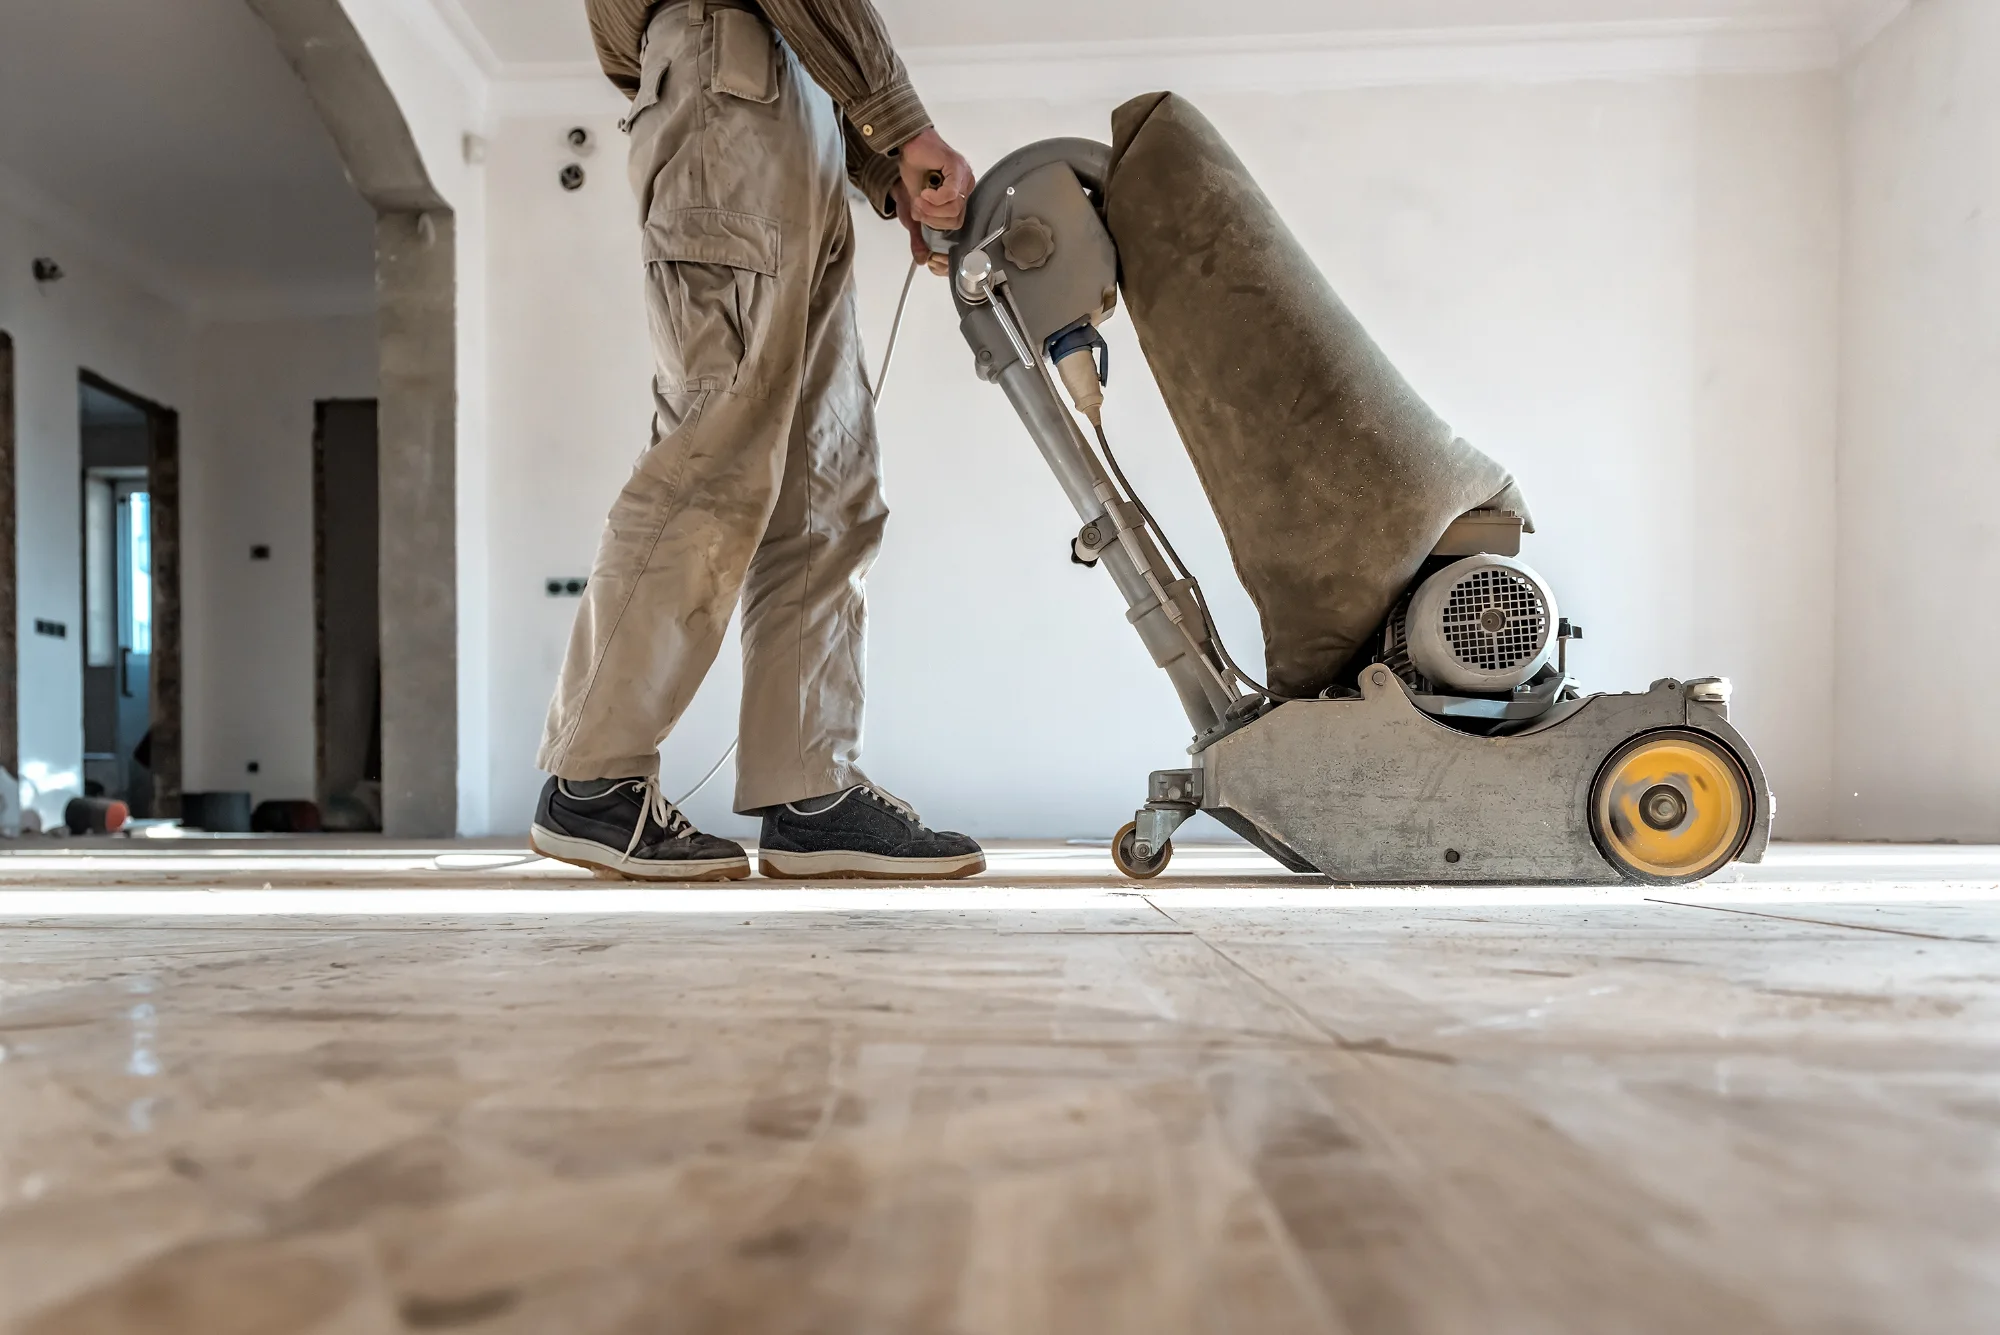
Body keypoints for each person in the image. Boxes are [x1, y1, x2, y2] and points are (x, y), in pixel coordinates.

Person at [530, 0, 984, 882]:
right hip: (729, 80)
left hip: (793, 97)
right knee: (718, 447)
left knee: (831, 481)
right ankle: (593, 779)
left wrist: (881, 164)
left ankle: (811, 790)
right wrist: (902, 124)